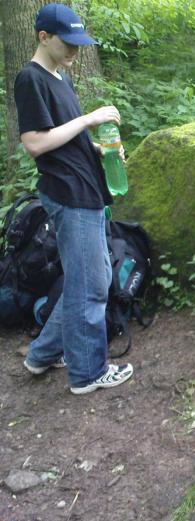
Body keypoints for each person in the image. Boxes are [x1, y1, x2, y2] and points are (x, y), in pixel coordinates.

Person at [16, 3, 133, 395]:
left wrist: (100, 152)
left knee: (86, 280)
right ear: (43, 37)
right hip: (67, 194)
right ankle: (88, 373)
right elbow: (35, 143)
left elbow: (63, 136)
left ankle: (43, 354)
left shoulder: (60, 76)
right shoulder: (30, 79)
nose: (75, 52)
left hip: (86, 189)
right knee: (91, 285)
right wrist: (89, 119)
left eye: (79, 44)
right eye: (68, 44)